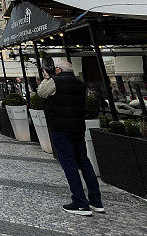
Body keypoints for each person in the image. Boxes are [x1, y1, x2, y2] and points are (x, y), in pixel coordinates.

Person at [37, 60, 104, 216]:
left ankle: (80, 203)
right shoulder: (80, 84)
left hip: (61, 128)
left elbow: (41, 93)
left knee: (69, 163)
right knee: (84, 162)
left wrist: (47, 78)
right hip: (78, 127)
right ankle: (96, 201)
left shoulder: (55, 81)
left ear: (58, 69)